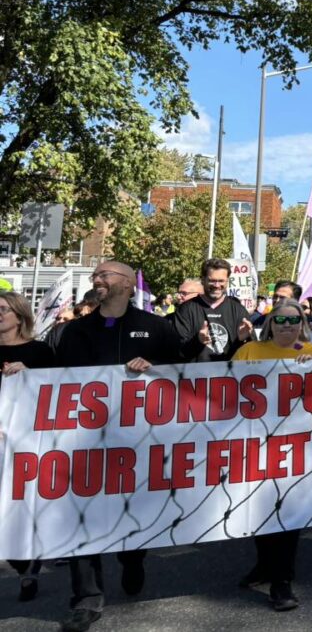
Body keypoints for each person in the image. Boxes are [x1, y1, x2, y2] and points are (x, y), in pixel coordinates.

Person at [53, 261, 189, 632]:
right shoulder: (73, 331)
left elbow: (185, 373)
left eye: (106, 275)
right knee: (79, 517)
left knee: (131, 513)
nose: (97, 279)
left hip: (136, 443)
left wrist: (155, 367)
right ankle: (87, 598)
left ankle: (133, 557)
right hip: (82, 443)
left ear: (128, 285)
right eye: (95, 275)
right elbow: (50, 379)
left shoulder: (157, 328)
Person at [231, 297, 312, 611]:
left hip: (299, 447)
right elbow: (223, 386)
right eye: (280, 320)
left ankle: (281, 582)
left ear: (302, 325)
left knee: (288, 514)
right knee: (258, 510)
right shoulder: (250, 351)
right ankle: (265, 565)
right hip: (255, 444)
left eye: (293, 320)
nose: (287, 326)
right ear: (270, 324)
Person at [0, 292, 54, 601]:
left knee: (17, 506)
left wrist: (30, 376)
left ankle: (27, 565)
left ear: (20, 316)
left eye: (3, 310)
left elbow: (59, 392)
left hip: (26, 440)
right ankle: (23, 563)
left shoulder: (40, 351)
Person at [172, 258, 254, 361]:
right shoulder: (186, 310)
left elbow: (250, 353)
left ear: (227, 281)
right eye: (212, 281)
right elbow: (177, 352)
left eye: (221, 281)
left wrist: (242, 339)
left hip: (229, 375)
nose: (217, 285)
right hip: (196, 375)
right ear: (203, 279)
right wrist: (198, 341)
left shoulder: (239, 310)